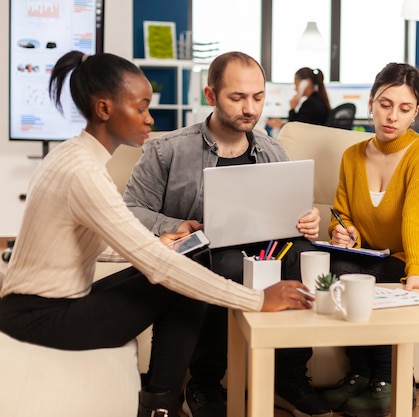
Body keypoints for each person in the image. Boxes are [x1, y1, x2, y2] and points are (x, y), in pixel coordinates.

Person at [0, 51, 314, 417]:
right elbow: (158, 269)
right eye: (141, 107)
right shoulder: (83, 173)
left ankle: (159, 402)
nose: (150, 118)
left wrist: (160, 241)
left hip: (45, 303)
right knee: (181, 274)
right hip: (40, 315)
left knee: (185, 262)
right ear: (104, 109)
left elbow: (94, 241)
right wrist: (257, 300)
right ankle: (160, 405)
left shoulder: (75, 157)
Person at [123, 52, 332, 417]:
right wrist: (171, 225)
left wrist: (308, 221)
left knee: (304, 254)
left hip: (265, 250)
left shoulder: (272, 151)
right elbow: (129, 211)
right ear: (211, 96)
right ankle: (204, 384)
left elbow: (294, 215)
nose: (250, 108)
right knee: (225, 263)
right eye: (237, 98)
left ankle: (290, 380)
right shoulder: (167, 149)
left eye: (258, 97)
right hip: (208, 256)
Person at [318, 62, 419, 417]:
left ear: (416, 113)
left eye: (404, 108)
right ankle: (361, 374)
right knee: (339, 268)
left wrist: (415, 273)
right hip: (378, 256)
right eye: (385, 104)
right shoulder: (352, 156)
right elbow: (344, 214)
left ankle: (392, 381)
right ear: (371, 102)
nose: (392, 116)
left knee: (375, 280)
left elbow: (416, 221)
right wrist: (344, 233)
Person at [266, 67, 331, 130]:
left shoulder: (310, 104)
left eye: (296, 85)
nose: (295, 89)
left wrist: (292, 108)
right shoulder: (319, 100)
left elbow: (296, 130)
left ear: (306, 83)